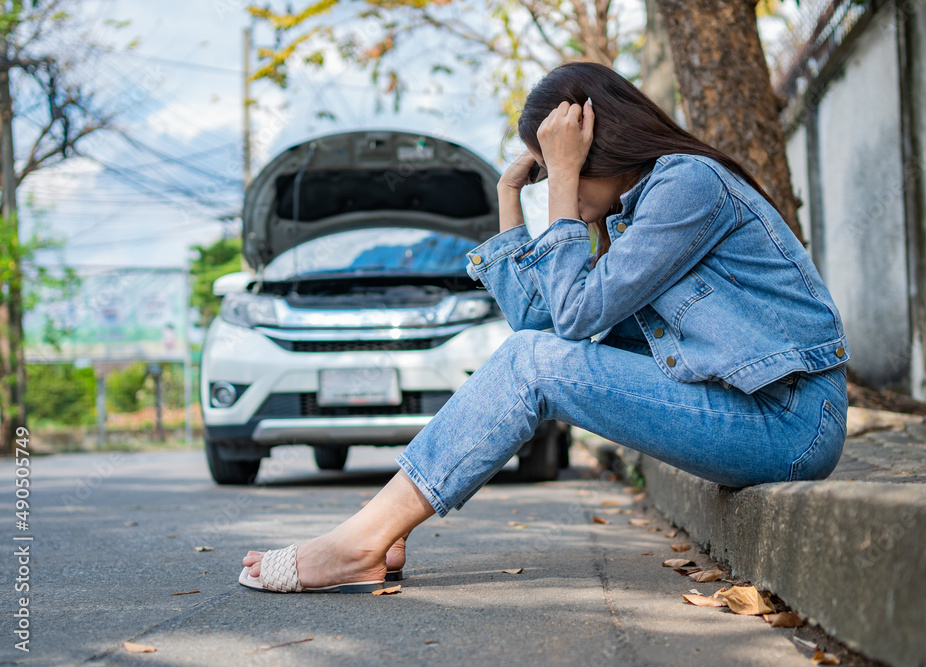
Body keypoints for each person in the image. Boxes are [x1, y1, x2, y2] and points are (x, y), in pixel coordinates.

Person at [239, 61, 850, 593]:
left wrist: (561, 179)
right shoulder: (640, 212)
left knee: (533, 362)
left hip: (789, 421)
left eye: (562, 162)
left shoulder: (686, 184)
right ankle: (379, 533)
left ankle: (360, 542)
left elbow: (570, 321)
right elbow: (544, 320)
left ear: (597, 149)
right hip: (750, 412)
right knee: (533, 353)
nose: (554, 180)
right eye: (547, 166)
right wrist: (511, 193)